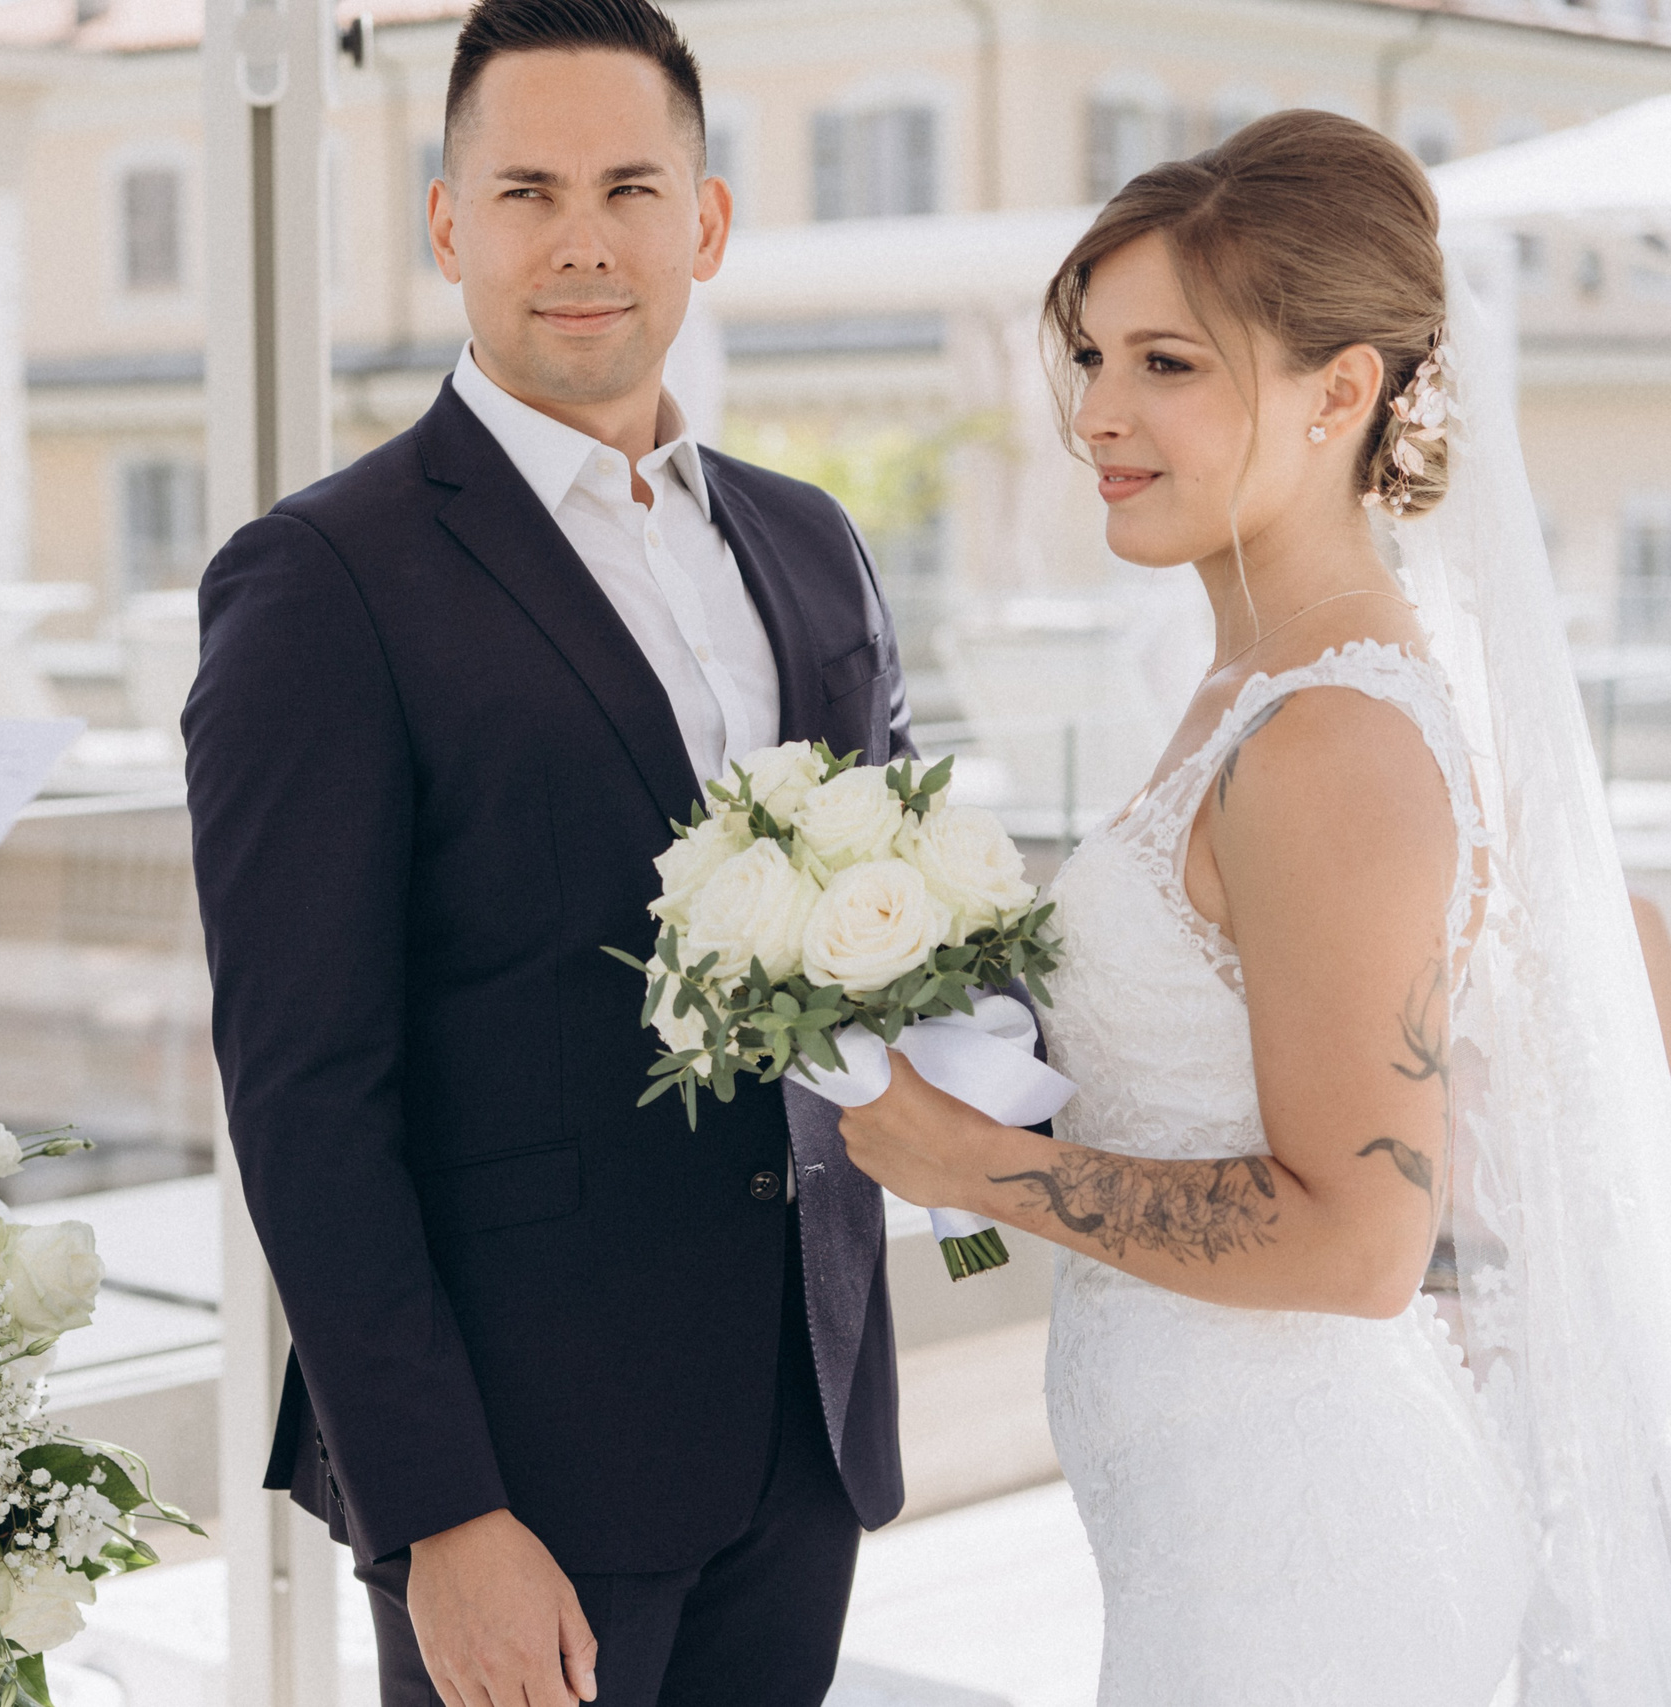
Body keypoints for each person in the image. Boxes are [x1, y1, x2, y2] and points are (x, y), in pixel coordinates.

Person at [839, 111, 1671, 1700]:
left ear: (1340, 392)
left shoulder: (1333, 740)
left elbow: (1364, 1239)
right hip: (1216, 1530)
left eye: (1169, 364)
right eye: (1090, 358)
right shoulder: (1248, 680)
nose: (1096, 413)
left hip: (1311, 1570)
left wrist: (977, 1167)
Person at [185, 1, 914, 1702]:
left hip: (799, 1439)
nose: (581, 240)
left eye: (629, 187)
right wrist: (445, 1514)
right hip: (519, 1483)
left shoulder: (812, 548)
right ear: (447, 224)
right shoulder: (320, 584)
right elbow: (302, 1095)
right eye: (523, 190)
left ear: (707, 222)